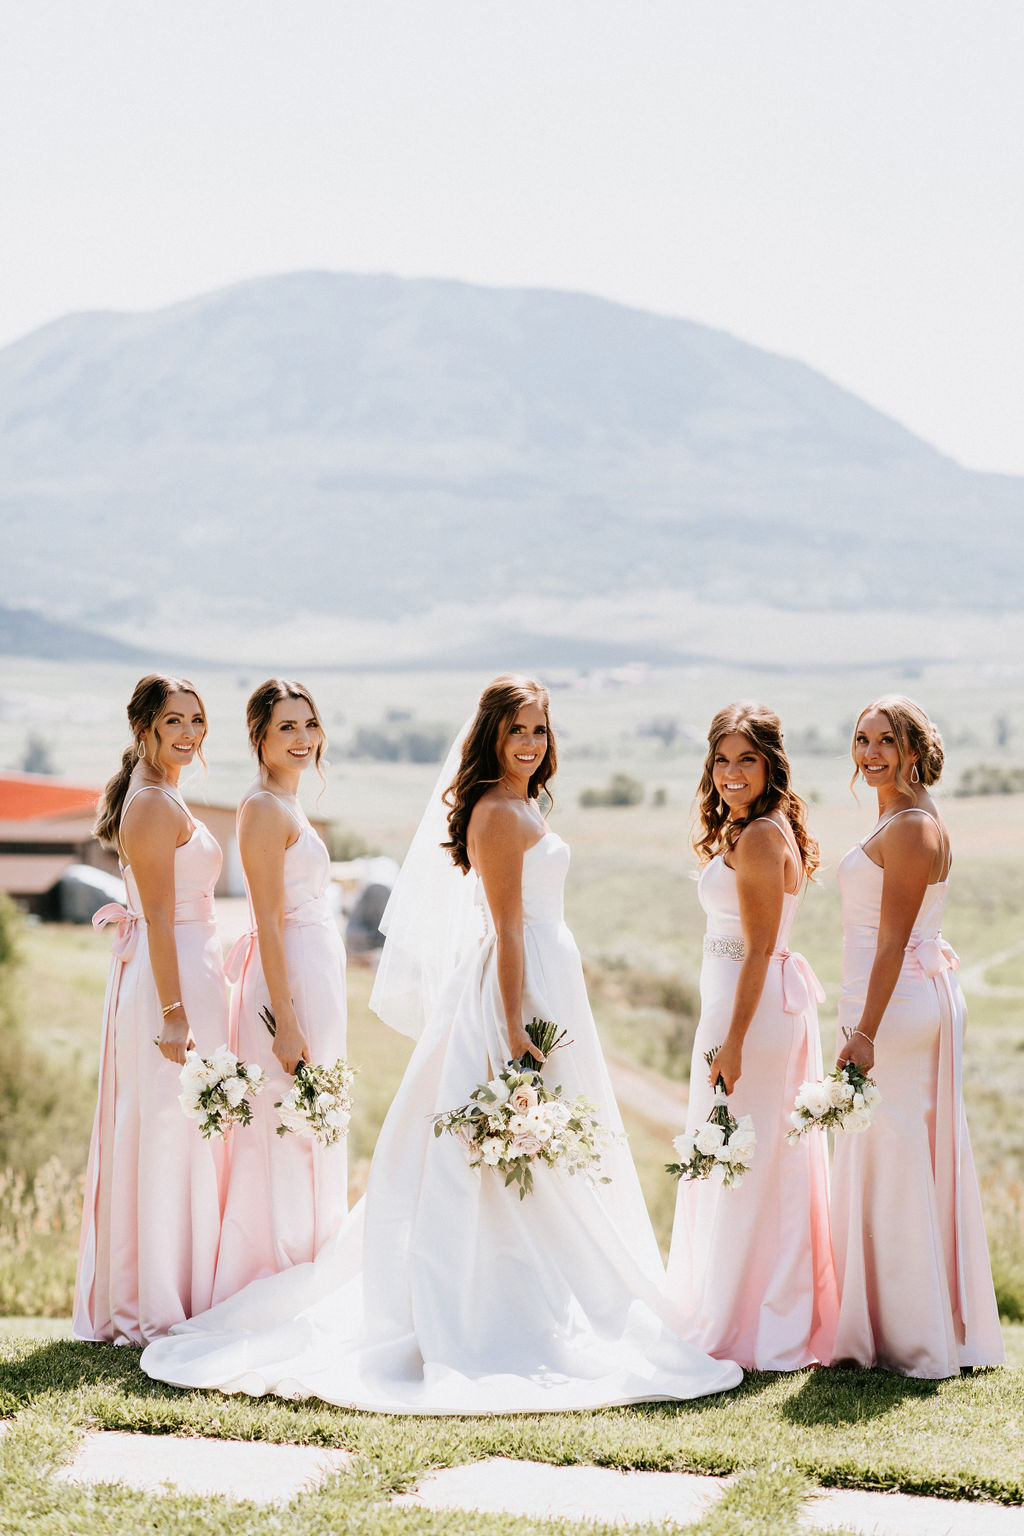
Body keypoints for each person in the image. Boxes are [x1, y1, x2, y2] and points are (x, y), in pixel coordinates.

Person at [141, 675, 742, 1410]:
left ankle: (556, 1286)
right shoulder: (493, 812)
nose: (530, 742)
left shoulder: (524, 803)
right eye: (517, 729)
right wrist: (517, 1020)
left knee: (557, 1143)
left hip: (554, 981)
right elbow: (508, 928)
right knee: (494, 1141)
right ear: (491, 735)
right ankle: (491, 1298)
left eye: (540, 731)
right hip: (520, 987)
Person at [830, 696, 1004, 1377]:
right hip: (901, 998)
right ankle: (904, 1321)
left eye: (884, 741)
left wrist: (864, 1033)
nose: (870, 753)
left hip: (894, 1007)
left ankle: (908, 1336)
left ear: (912, 749)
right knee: (897, 1152)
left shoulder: (908, 826)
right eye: (861, 739)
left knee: (895, 1158)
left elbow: (894, 943)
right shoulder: (909, 815)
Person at [666, 703, 837, 1369]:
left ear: (770, 766)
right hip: (739, 1009)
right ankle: (742, 1303)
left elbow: (761, 951)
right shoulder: (749, 829)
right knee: (748, 1156)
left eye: (747, 759)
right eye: (722, 759)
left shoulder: (763, 837)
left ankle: (754, 1319)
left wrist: (732, 1042)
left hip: (753, 1014)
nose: (732, 772)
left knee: (747, 1157)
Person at [74, 674, 227, 1344]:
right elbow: (159, 919)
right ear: (145, 730)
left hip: (187, 972)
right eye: (175, 722)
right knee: (163, 1134)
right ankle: (152, 1303)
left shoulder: (164, 793)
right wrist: (173, 1011)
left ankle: (182, 1289)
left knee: (183, 1133)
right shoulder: (152, 807)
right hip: (168, 985)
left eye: (197, 720)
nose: (189, 733)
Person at [212, 681, 347, 1302]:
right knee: (285, 1115)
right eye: (286, 727)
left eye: (308, 725)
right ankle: (275, 1274)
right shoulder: (263, 807)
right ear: (259, 738)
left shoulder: (288, 803)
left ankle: (312, 1263)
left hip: (315, 976)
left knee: (313, 1117)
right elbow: (265, 918)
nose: (301, 739)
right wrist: (285, 1021)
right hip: (287, 982)